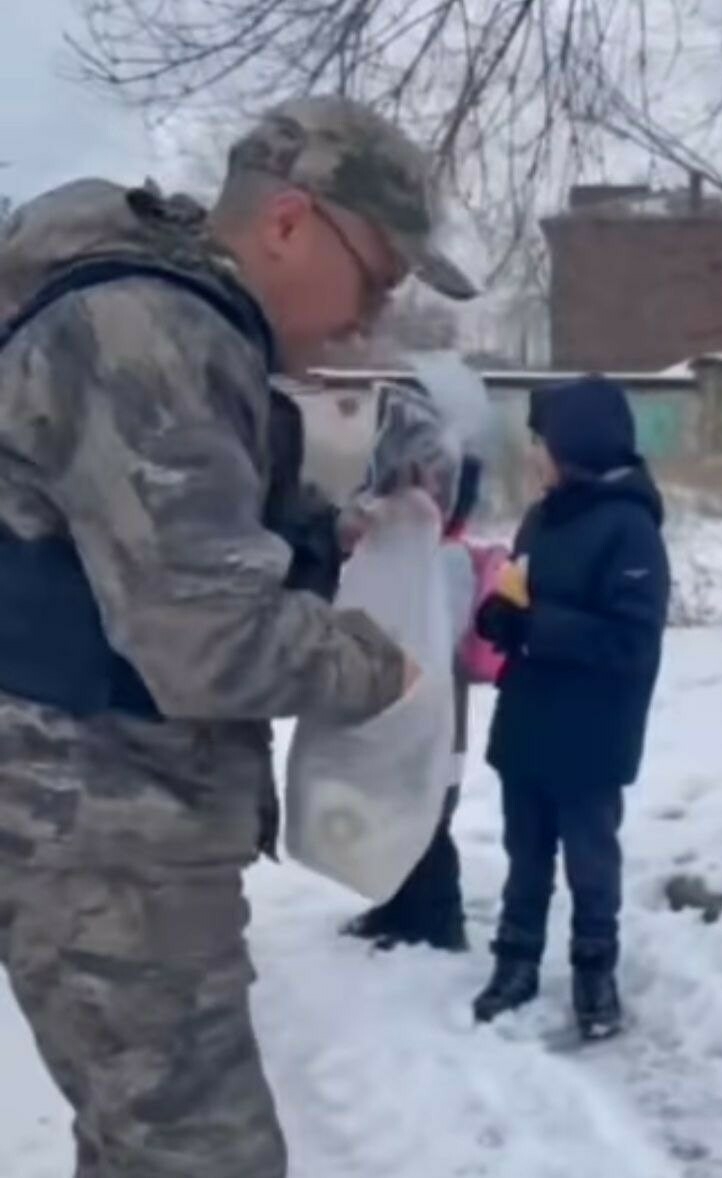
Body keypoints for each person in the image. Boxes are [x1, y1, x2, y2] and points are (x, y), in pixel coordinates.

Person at [0, 94, 475, 1177]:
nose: (372, 316)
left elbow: (157, 546)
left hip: (110, 819)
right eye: (381, 274)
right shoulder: (145, 331)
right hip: (98, 826)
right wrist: (382, 666)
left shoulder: (179, 328)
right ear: (291, 222)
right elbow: (204, 633)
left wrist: (321, 529)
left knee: (138, 1146)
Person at [471, 375, 670, 1041]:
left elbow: (629, 641)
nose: (533, 455)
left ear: (575, 446)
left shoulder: (631, 530)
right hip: (529, 720)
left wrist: (537, 628)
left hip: (592, 731)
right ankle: (515, 963)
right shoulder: (541, 517)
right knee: (524, 852)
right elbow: (518, 591)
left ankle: (595, 974)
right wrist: (500, 615)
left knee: (590, 860)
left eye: (541, 442)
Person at [342, 452, 508, 951]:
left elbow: (442, 636)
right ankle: (396, 908)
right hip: (401, 704)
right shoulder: (410, 558)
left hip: (434, 710)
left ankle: (440, 921)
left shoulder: (448, 560)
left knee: (430, 816)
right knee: (396, 810)